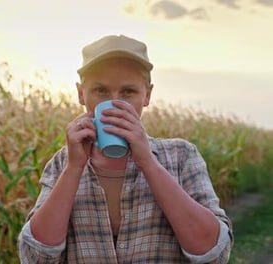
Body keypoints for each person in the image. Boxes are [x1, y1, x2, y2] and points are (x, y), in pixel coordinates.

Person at [17, 35, 233, 263]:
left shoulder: (181, 156)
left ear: (147, 95)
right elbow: (35, 257)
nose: (115, 102)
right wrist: (74, 167)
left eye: (128, 92)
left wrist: (148, 163)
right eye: (100, 90)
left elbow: (213, 253)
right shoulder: (64, 163)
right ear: (81, 94)